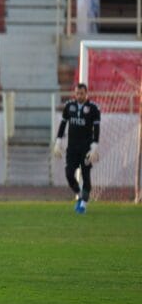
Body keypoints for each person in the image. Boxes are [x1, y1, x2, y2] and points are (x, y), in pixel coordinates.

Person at [53, 82, 101, 214]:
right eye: (77, 93)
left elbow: (96, 129)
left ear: (86, 94)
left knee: (86, 175)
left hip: (86, 149)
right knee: (69, 173)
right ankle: (80, 195)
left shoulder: (93, 109)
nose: (79, 95)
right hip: (72, 149)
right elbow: (63, 125)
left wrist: (94, 147)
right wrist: (58, 142)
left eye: (82, 93)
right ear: (75, 94)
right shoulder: (69, 106)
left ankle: (83, 205)